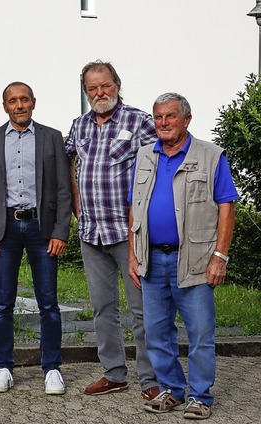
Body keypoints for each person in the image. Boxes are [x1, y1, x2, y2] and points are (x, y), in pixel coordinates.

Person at [128, 93, 238, 419]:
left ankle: (200, 396)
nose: (163, 123)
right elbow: (136, 207)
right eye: (158, 117)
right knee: (156, 332)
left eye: (170, 117)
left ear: (186, 119)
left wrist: (220, 256)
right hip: (152, 259)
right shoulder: (145, 155)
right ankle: (172, 391)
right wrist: (134, 256)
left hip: (195, 260)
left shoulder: (211, 156)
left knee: (201, 333)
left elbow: (227, 208)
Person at [65, 61, 159, 400]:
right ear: (86, 92)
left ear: (117, 84)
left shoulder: (139, 122)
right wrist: (75, 199)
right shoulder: (80, 125)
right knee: (104, 308)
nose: (99, 93)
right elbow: (66, 158)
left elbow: (160, 164)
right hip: (91, 232)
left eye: (105, 86)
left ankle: (151, 380)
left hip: (129, 233)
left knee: (142, 310)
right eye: (92, 88)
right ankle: (114, 374)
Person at [0, 81, 71, 395]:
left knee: (49, 303)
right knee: (2, 304)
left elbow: (62, 189)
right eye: (13, 101)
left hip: (42, 230)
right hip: (5, 231)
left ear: (33, 102)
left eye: (24, 99)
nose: (19, 105)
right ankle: (3, 367)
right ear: (5, 106)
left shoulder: (51, 138)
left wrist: (60, 231)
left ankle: (52, 368)